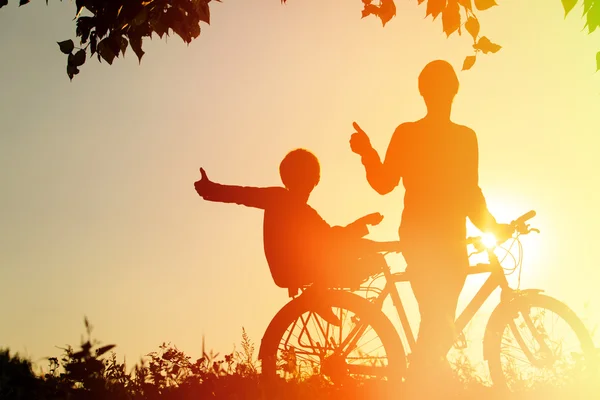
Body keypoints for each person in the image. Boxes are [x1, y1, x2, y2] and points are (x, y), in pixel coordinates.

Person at [349, 60, 512, 388]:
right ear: (453, 90)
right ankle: (418, 384)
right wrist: (492, 227)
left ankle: (425, 379)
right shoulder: (461, 137)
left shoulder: (415, 133)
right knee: (438, 321)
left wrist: (368, 153)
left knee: (437, 322)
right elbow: (471, 194)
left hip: (435, 237)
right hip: (432, 238)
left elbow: (384, 183)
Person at [194, 148, 387, 292]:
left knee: (363, 259)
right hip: (293, 267)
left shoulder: (305, 211)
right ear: (313, 179)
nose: (309, 182)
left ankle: (320, 297)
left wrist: (361, 227)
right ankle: (317, 296)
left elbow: (331, 237)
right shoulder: (279, 198)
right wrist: (211, 189)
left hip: (299, 265)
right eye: (306, 176)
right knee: (361, 261)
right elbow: (242, 195)